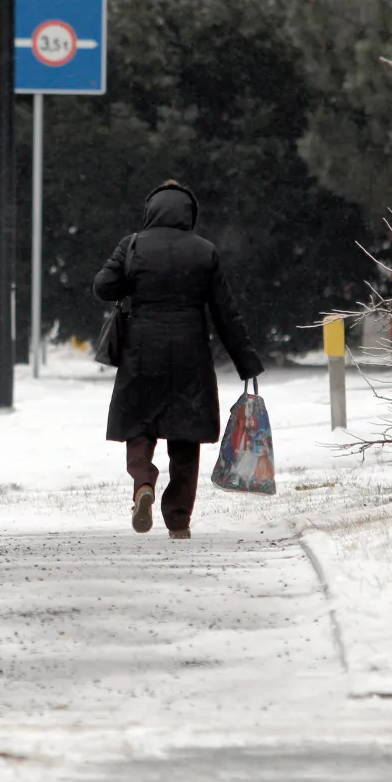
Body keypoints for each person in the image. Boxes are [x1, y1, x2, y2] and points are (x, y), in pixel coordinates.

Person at [93, 181, 263, 539]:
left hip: (142, 351)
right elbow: (226, 313)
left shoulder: (133, 245)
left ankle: (143, 483)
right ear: (189, 214)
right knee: (186, 433)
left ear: (150, 211)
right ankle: (178, 520)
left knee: (139, 425)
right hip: (190, 353)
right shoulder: (204, 251)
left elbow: (103, 286)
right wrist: (245, 361)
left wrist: (131, 279)